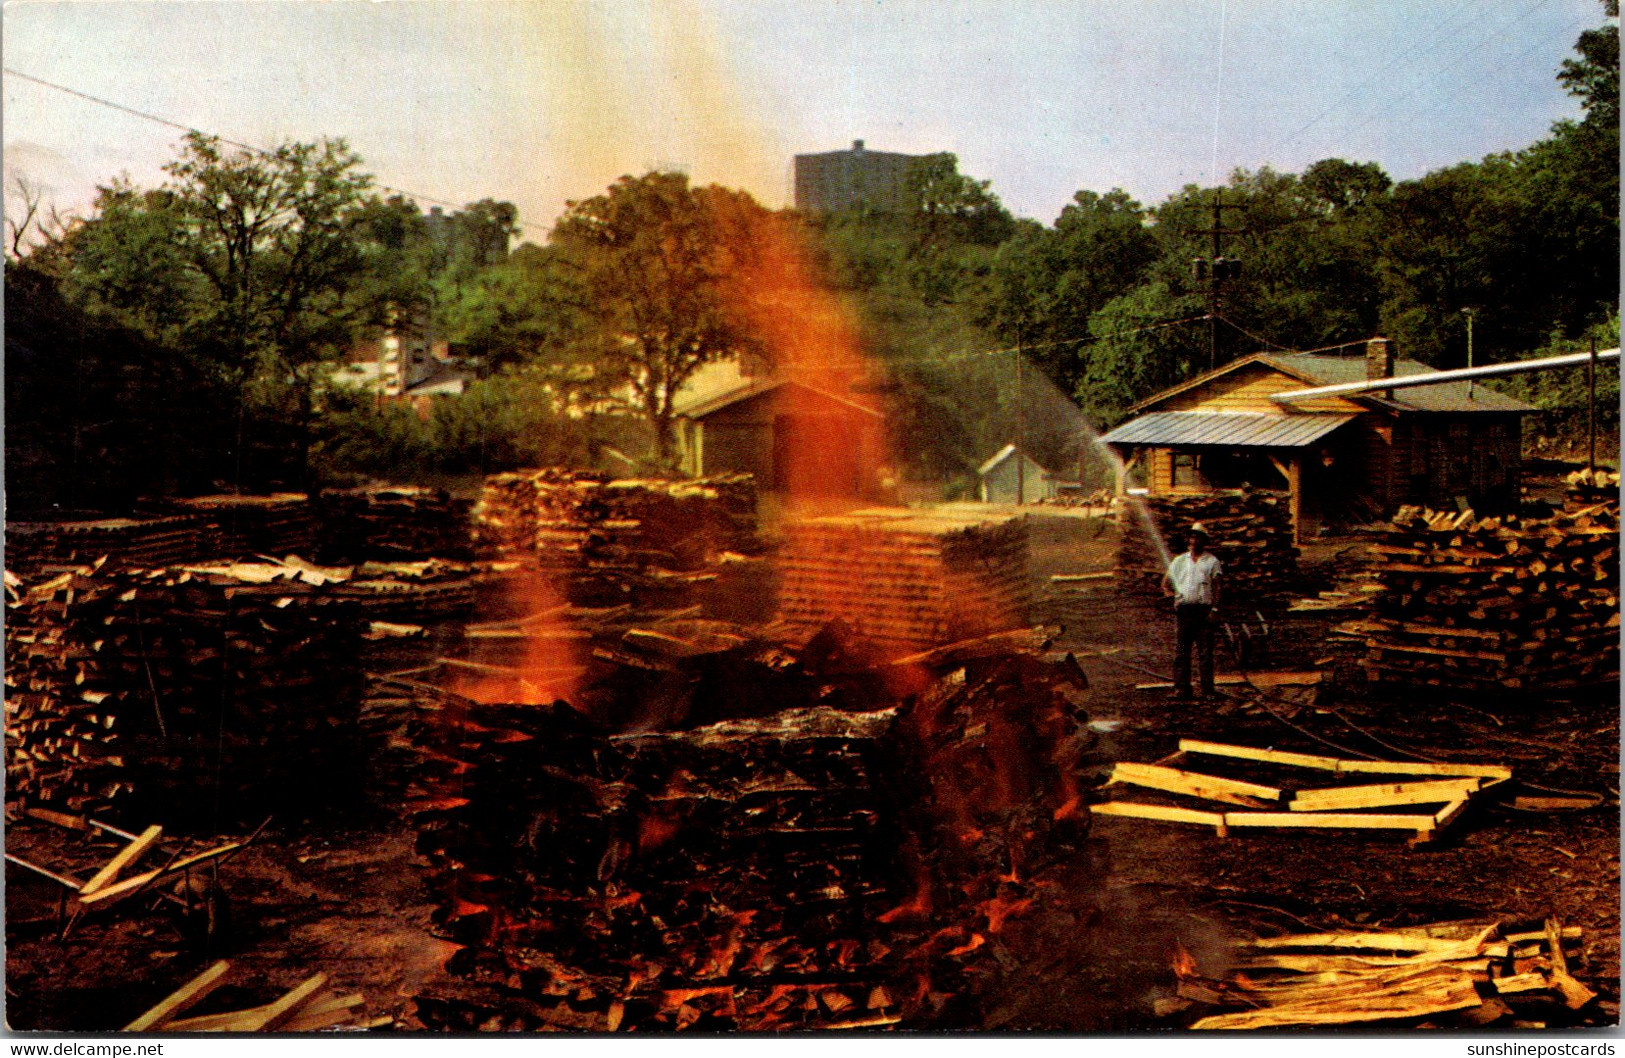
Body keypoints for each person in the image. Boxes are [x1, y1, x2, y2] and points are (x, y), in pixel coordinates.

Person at [1162, 522, 1222, 701]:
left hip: (1203, 611)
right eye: (1192, 536)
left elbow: (1218, 587)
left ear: (1204, 541)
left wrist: (1215, 609)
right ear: (1188, 539)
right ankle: (1182, 689)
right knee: (1182, 652)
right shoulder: (1180, 561)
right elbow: (1166, 583)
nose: (1194, 540)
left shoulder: (1211, 561)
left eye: (1198, 537)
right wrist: (1171, 596)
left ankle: (1207, 691)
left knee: (1205, 652)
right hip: (1185, 611)